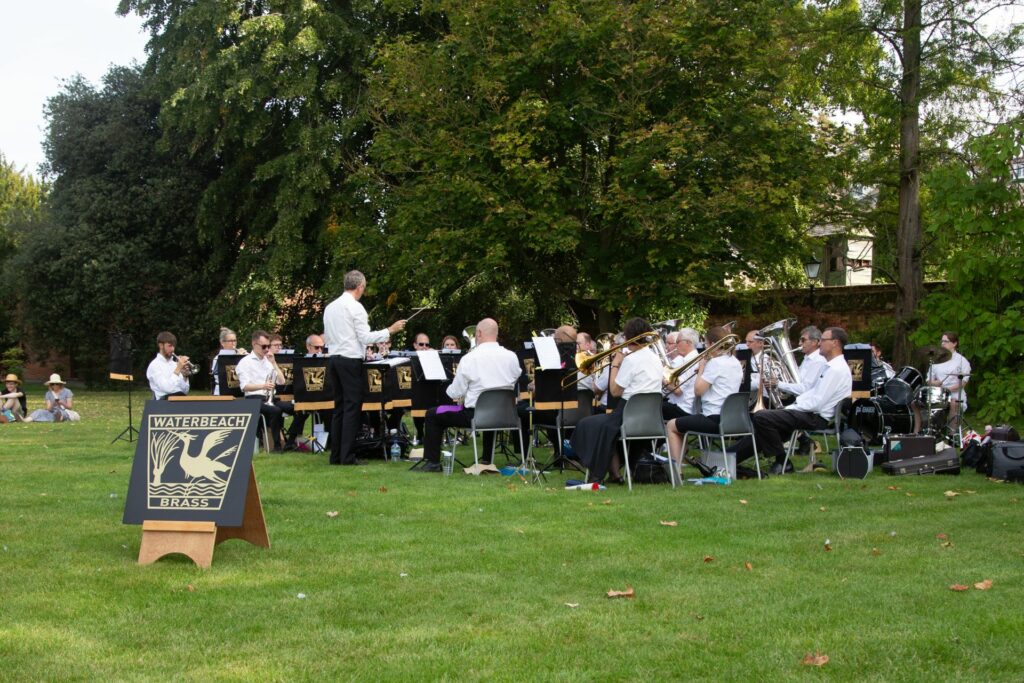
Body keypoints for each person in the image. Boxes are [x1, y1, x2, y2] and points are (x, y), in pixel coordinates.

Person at [732, 327, 853, 475]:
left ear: (835, 343)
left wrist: (790, 408)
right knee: (765, 427)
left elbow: (817, 402)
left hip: (816, 417)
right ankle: (729, 458)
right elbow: (812, 394)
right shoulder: (831, 367)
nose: (820, 343)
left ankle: (782, 461)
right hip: (810, 412)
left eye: (823, 340)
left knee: (761, 417)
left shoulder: (836, 370)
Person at [323, 270, 406, 466]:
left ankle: (336, 456)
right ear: (360, 287)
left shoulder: (330, 307)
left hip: (334, 359)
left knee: (339, 408)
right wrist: (390, 330)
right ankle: (348, 456)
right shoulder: (356, 308)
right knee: (352, 408)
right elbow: (365, 338)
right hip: (350, 360)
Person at [419, 318, 521, 472]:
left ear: (478, 333)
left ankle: (432, 463)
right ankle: (487, 459)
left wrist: (448, 386)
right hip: (505, 415)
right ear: (496, 334)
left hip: (476, 416)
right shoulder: (512, 356)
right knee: (491, 407)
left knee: (432, 414)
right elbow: (515, 378)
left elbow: (455, 392)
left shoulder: (469, 359)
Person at [570, 318, 663, 484]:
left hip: (627, 415)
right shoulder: (656, 358)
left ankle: (598, 473)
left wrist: (615, 364)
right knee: (603, 425)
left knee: (587, 424)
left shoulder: (630, 360)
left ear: (628, 337)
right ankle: (615, 475)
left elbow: (614, 391)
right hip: (649, 418)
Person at [665, 326, 743, 467]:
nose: (705, 347)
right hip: (733, 420)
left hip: (714, 419)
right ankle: (681, 459)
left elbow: (698, 391)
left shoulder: (715, 363)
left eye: (706, 344)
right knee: (681, 422)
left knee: (671, 425)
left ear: (712, 345)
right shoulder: (735, 362)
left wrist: (702, 368)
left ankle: (676, 469)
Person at [235, 329, 288, 451]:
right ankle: (277, 446)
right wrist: (263, 386)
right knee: (275, 411)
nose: (266, 350)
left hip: (270, 398)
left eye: (268, 346)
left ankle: (290, 442)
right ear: (254, 344)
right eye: (264, 346)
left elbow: (282, 381)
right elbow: (244, 387)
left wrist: (274, 363)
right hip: (253, 399)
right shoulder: (245, 362)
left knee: (295, 408)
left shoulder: (268, 361)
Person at [287, 334, 328, 446]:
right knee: (301, 411)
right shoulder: (300, 362)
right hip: (306, 398)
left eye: (322, 348)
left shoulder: (327, 361)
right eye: (317, 347)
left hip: (325, 398)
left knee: (332, 410)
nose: (320, 350)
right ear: (308, 347)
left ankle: (329, 442)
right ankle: (291, 441)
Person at [925, 331, 971, 431]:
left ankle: (952, 435)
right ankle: (920, 433)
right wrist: (934, 383)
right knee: (916, 403)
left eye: (946, 341)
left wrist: (947, 390)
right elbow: (929, 380)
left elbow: (962, 383)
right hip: (938, 395)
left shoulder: (962, 361)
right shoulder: (936, 360)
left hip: (955, 395)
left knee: (954, 403)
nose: (942, 344)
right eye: (942, 341)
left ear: (954, 344)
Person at [663, 328, 699, 420]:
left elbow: (677, 391)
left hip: (682, 408)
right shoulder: (691, 358)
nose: (676, 345)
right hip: (682, 406)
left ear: (687, 342)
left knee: (649, 406)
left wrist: (661, 377)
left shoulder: (689, 361)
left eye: (678, 342)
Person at [146, 331, 191, 400]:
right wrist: (178, 369)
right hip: (162, 404)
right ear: (161, 345)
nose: (173, 349)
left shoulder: (174, 364)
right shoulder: (154, 365)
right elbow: (167, 388)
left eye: (173, 346)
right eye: (170, 346)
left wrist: (185, 376)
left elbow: (185, 391)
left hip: (178, 401)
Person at [211, 327, 246, 396]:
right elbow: (230, 376)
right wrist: (240, 358)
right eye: (231, 341)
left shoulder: (239, 355)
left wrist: (246, 357)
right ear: (222, 343)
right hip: (221, 394)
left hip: (238, 392)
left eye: (235, 340)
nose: (234, 343)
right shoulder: (218, 358)